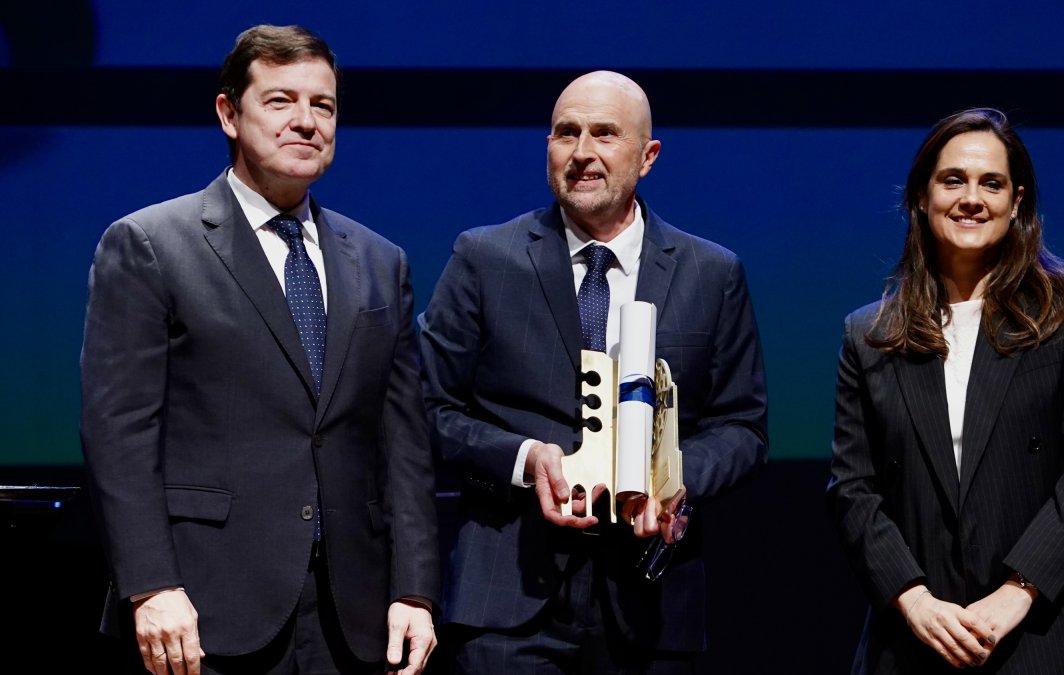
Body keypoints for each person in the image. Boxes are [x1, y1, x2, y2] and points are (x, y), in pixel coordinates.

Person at [81, 24, 439, 675]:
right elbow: (119, 431)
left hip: (351, 615)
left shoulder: (380, 262)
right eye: (279, 101)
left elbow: (404, 442)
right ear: (229, 113)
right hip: (202, 608)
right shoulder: (150, 244)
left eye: (322, 105)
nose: (305, 121)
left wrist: (413, 588)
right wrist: (151, 585)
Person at [419, 71, 768, 673]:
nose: (583, 153)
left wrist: (673, 480)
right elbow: (427, 407)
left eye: (606, 134)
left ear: (647, 156)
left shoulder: (712, 273)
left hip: (651, 603)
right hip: (507, 598)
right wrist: (526, 458)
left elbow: (743, 427)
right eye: (566, 133)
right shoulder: (484, 257)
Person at [827, 108, 1064, 673]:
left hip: (1055, 630)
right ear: (922, 198)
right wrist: (913, 599)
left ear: (1016, 201)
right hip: (920, 638)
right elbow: (853, 487)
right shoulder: (870, 335)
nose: (972, 198)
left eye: (991, 183)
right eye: (953, 180)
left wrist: (1018, 590)